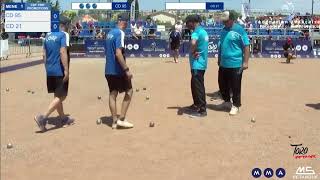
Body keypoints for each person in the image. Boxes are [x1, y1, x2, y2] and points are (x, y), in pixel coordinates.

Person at [34, 19, 73, 132]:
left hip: (49, 69)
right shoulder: (63, 35)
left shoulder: (48, 36)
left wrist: (47, 67)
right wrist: (66, 70)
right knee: (62, 96)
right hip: (59, 70)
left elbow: (44, 54)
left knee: (57, 95)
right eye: (68, 25)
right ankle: (43, 117)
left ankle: (63, 118)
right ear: (64, 25)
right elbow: (63, 52)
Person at [218, 10, 250, 116]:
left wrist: (245, 62)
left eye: (226, 21)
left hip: (236, 64)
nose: (224, 23)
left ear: (232, 19)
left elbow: (246, 46)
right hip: (223, 63)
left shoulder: (239, 30)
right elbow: (221, 45)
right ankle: (227, 102)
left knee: (235, 86)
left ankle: (236, 105)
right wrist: (219, 58)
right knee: (222, 84)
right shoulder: (223, 30)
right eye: (223, 21)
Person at [105, 14, 134, 129]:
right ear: (123, 22)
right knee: (130, 91)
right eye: (127, 22)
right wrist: (126, 70)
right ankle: (121, 119)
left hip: (108, 70)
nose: (127, 25)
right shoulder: (120, 33)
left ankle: (114, 122)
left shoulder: (109, 33)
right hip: (118, 70)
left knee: (113, 94)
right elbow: (118, 53)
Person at [185, 14, 209, 117]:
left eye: (187, 23)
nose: (186, 25)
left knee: (198, 86)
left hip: (197, 64)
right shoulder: (203, 31)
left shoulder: (196, 32)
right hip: (201, 63)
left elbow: (193, 42)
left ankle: (202, 110)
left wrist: (193, 51)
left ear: (192, 22)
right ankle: (196, 104)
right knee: (194, 85)